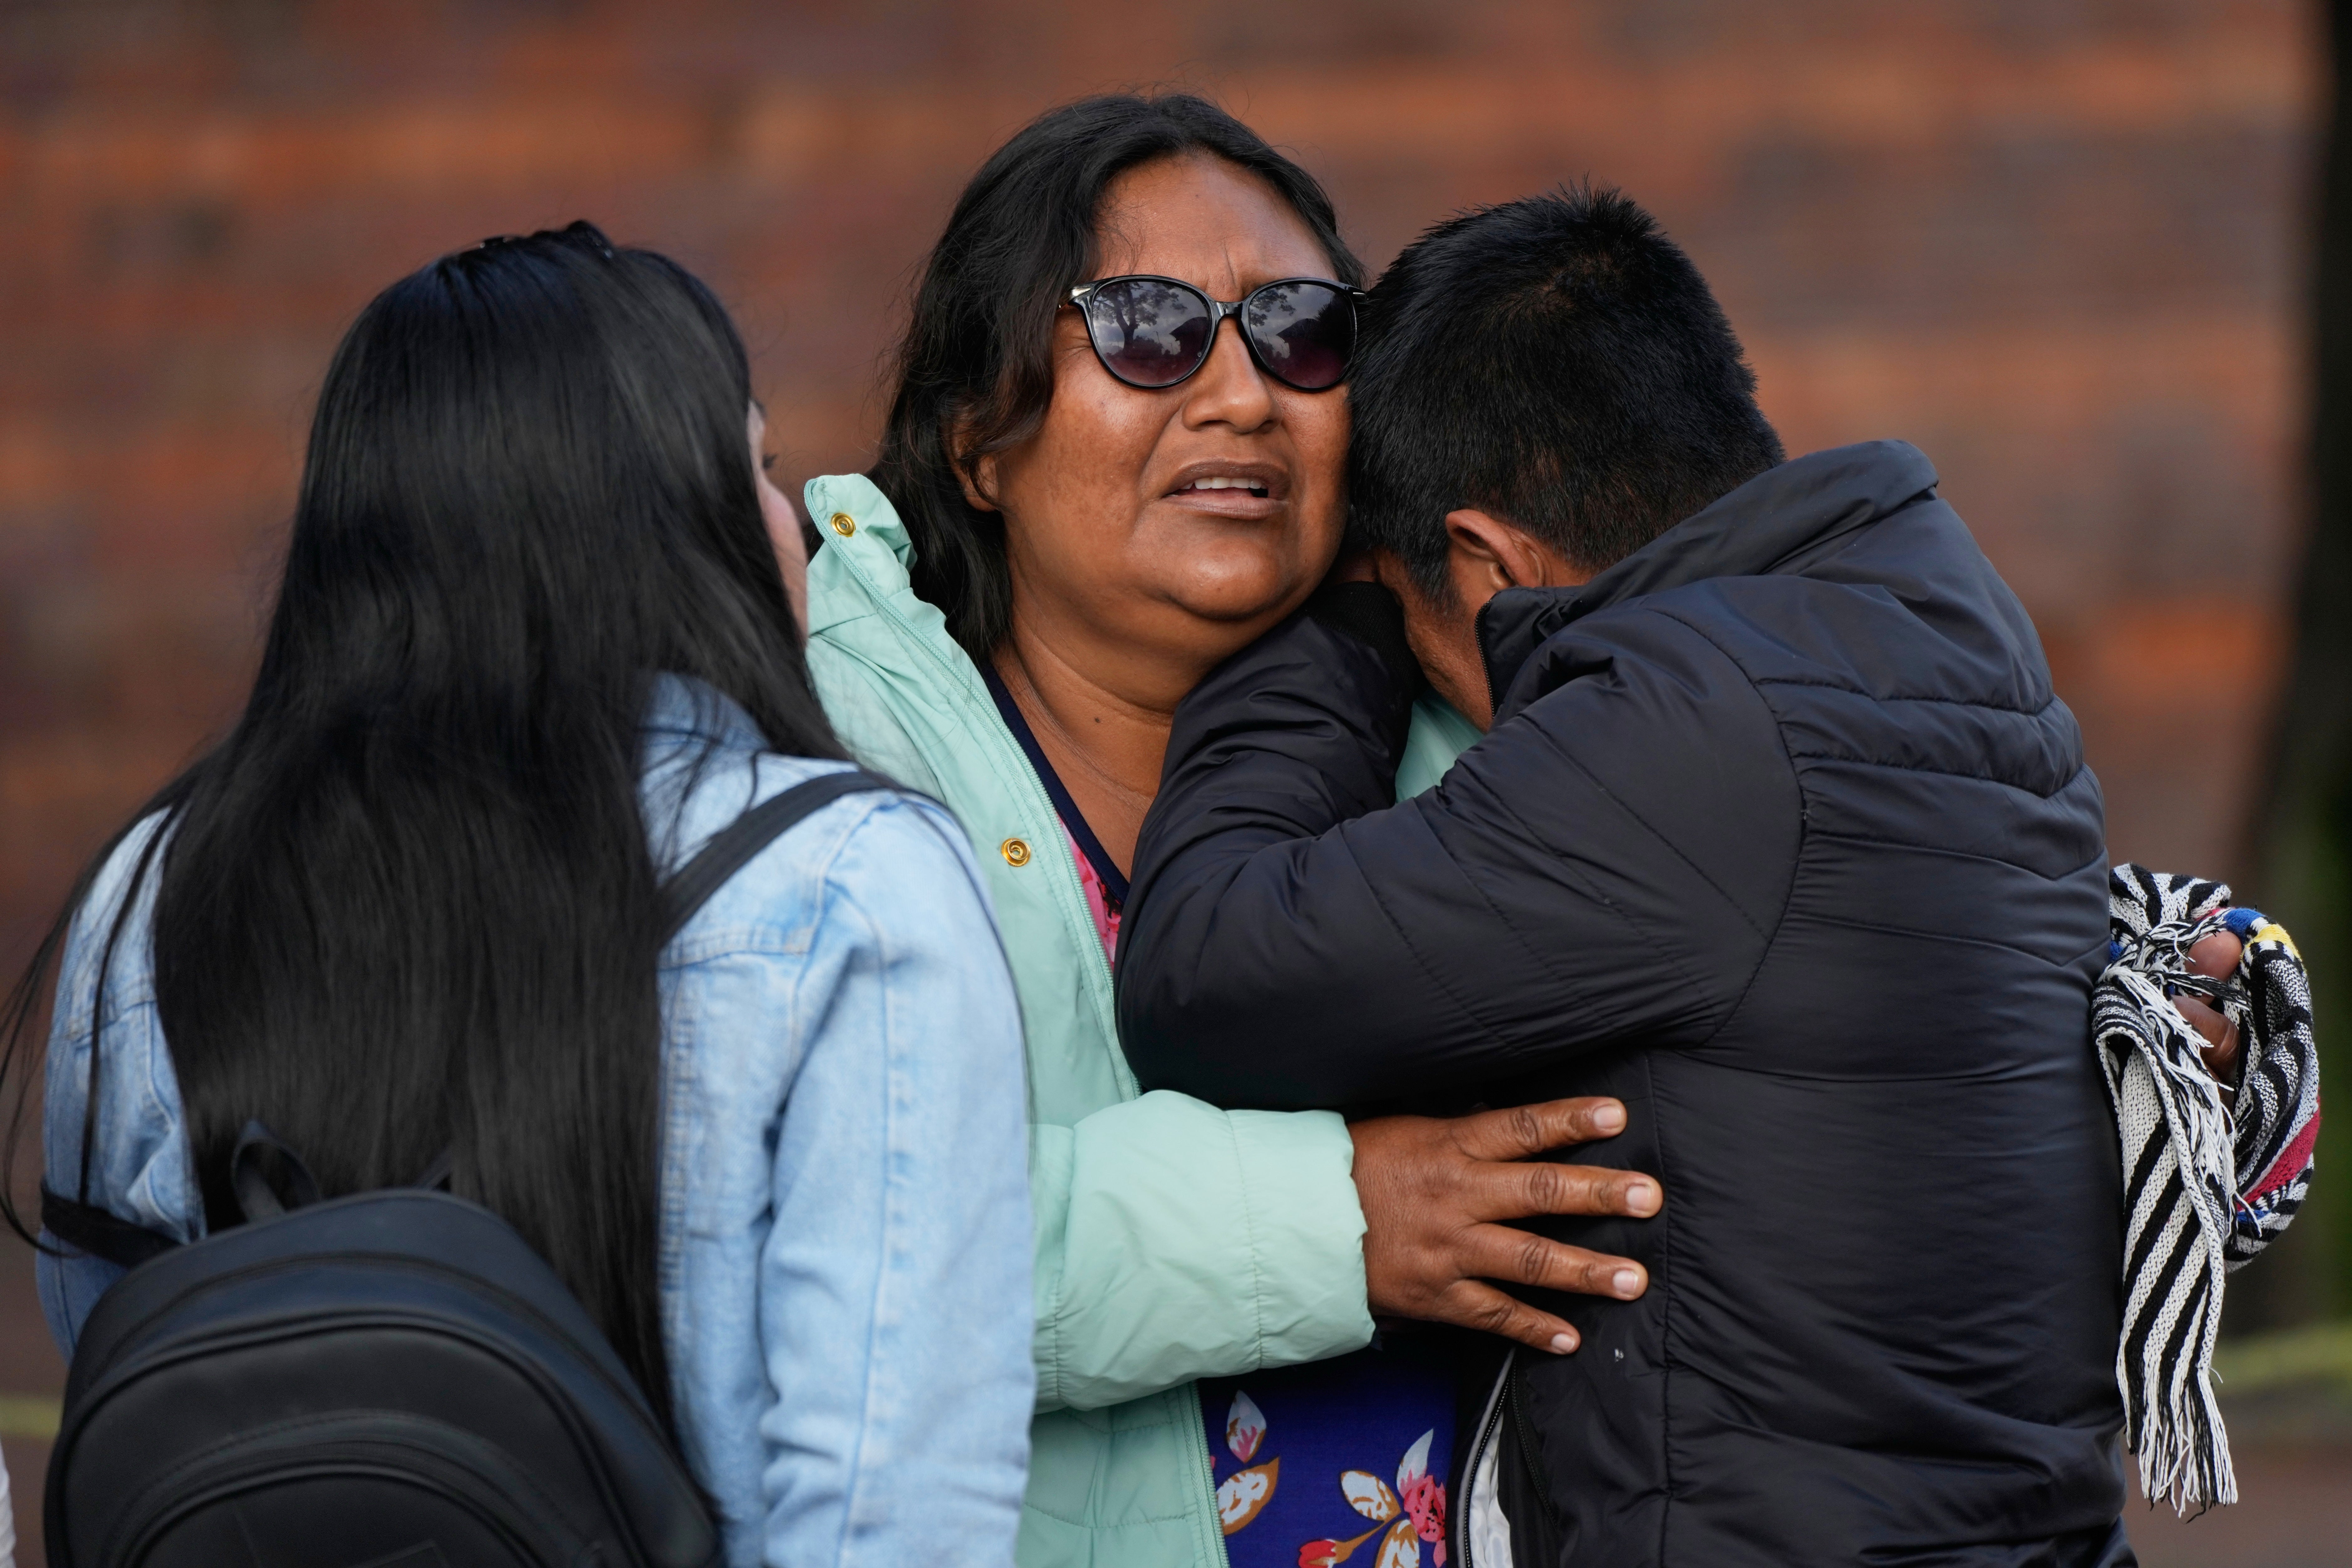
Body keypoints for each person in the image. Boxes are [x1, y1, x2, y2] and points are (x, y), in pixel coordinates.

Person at [1116, 187, 2201, 1566]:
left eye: (1415, 614)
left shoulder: (1685, 730)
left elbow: (1206, 972)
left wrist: (1318, 607)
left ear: (1487, 561)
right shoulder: (1934, 617)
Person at [2, 223, 1035, 1567]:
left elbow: (129, 1382)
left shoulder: (152, 890)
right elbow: (891, 1529)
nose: (796, 523)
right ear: (670, 526)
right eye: (760, 471)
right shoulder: (850, 883)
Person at [801, 96, 1663, 1568]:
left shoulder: (1503, 744)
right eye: (1147, 326)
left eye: (1300, 331)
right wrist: (1343, 1216)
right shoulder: (836, 763)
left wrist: (2145, 992)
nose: (1244, 396)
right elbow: (857, 1245)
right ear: (975, 440)